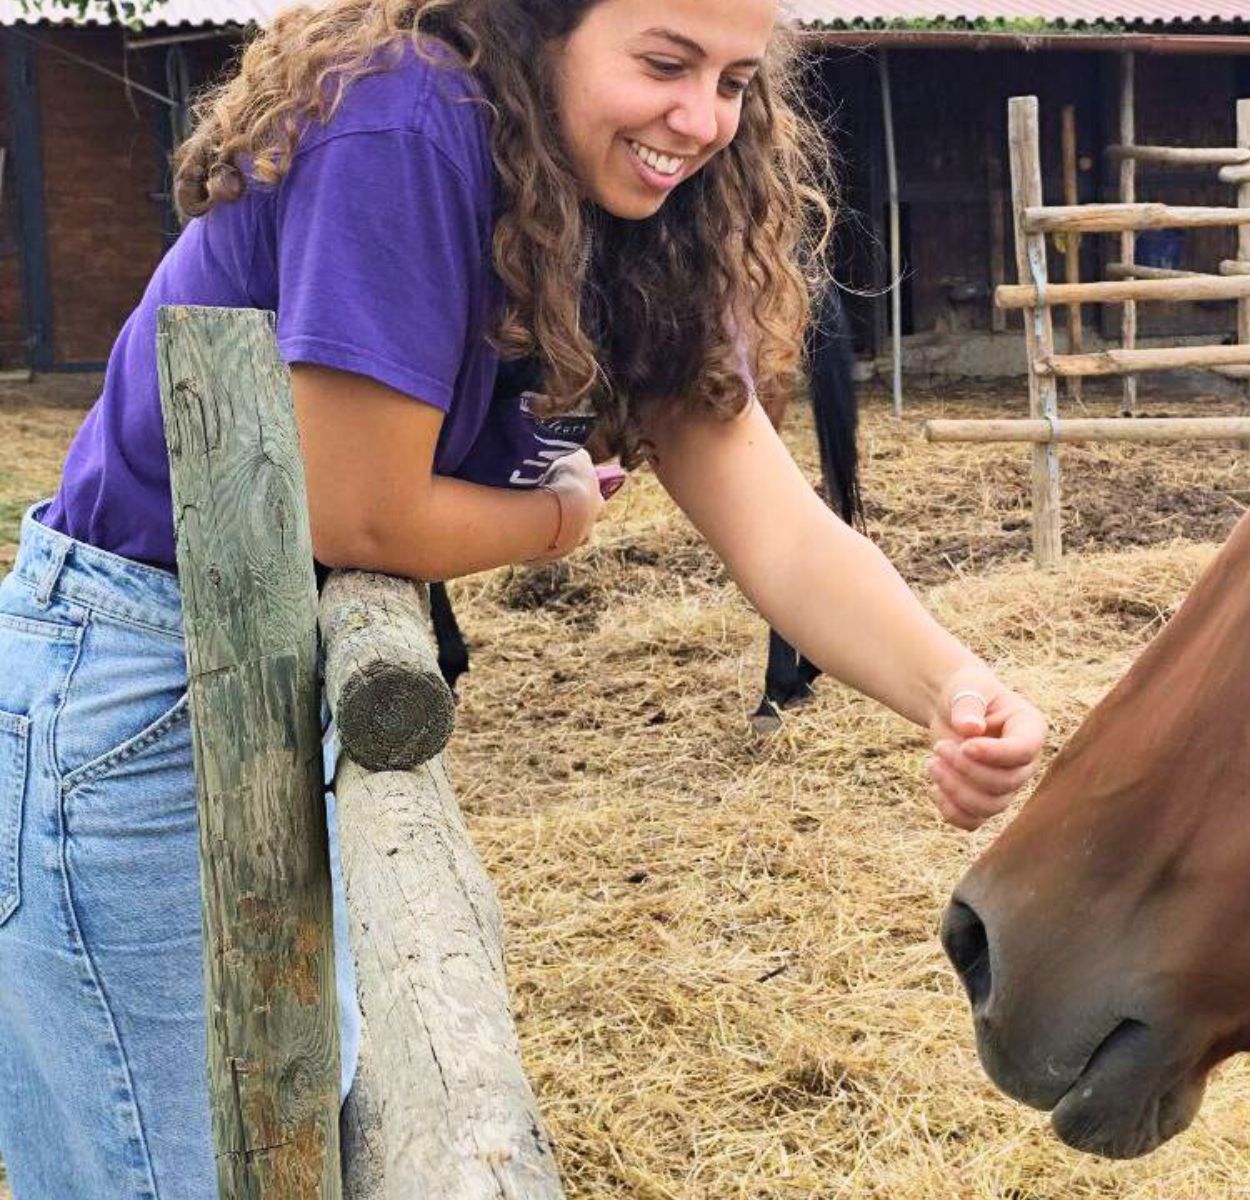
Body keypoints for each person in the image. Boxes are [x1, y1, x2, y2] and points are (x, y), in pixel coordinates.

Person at [0, 0, 1048, 1195]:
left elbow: (778, 525)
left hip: (256, 675)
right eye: (664, 63)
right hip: (134, 678)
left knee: (269, 1140)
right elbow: (361, 511)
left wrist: (952, 688)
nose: (701, 119)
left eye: (735, 81)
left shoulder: (627, 212)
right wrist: (559, 518)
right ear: (534, 27)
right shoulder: (401, 117)